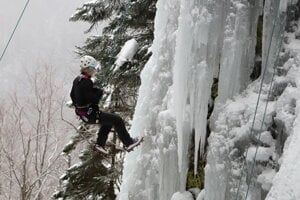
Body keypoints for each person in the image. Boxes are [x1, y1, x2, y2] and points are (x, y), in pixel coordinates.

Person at [70, 55, 141, 154]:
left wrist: (81, 105)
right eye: (93, 68)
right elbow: (92, 98)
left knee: (108, 121)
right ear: (88, 69)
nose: (94, 70)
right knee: (117, 120)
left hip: (84, 114)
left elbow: (73, 95)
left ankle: (100, 144)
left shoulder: (77, 80)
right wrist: (99, 92)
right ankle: (128, 143)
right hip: (90, 114)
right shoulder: (86, 82)